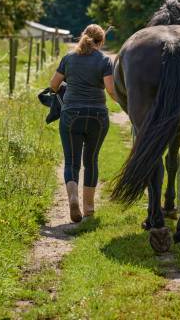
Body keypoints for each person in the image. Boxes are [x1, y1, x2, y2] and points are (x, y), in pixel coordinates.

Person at [50, 24, 117, 222]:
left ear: (83, 37)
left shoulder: (68, 58)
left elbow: (53, 85)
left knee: (71, 161)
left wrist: (67, 85)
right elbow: (111, 90)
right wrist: (127, 104)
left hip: (71, 114)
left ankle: (72, 198)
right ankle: (89, 207)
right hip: (97, 115)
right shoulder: (105, 60)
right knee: (91, 161)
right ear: (101, 41)